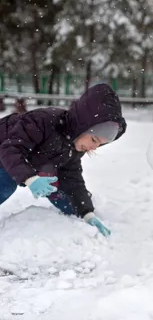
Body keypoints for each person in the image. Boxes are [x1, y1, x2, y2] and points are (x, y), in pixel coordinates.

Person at [0, 83, 127, 236]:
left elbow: (72, 177)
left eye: (100, 144)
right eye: (94, 140)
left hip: (25, 163)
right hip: (4, 155)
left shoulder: (75, 145)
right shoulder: (43, 121)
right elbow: (10, 150)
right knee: (6, 184)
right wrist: (29, 178)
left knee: (65, 197)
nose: (94, 148)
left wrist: (87, 213)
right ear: (83, 126)